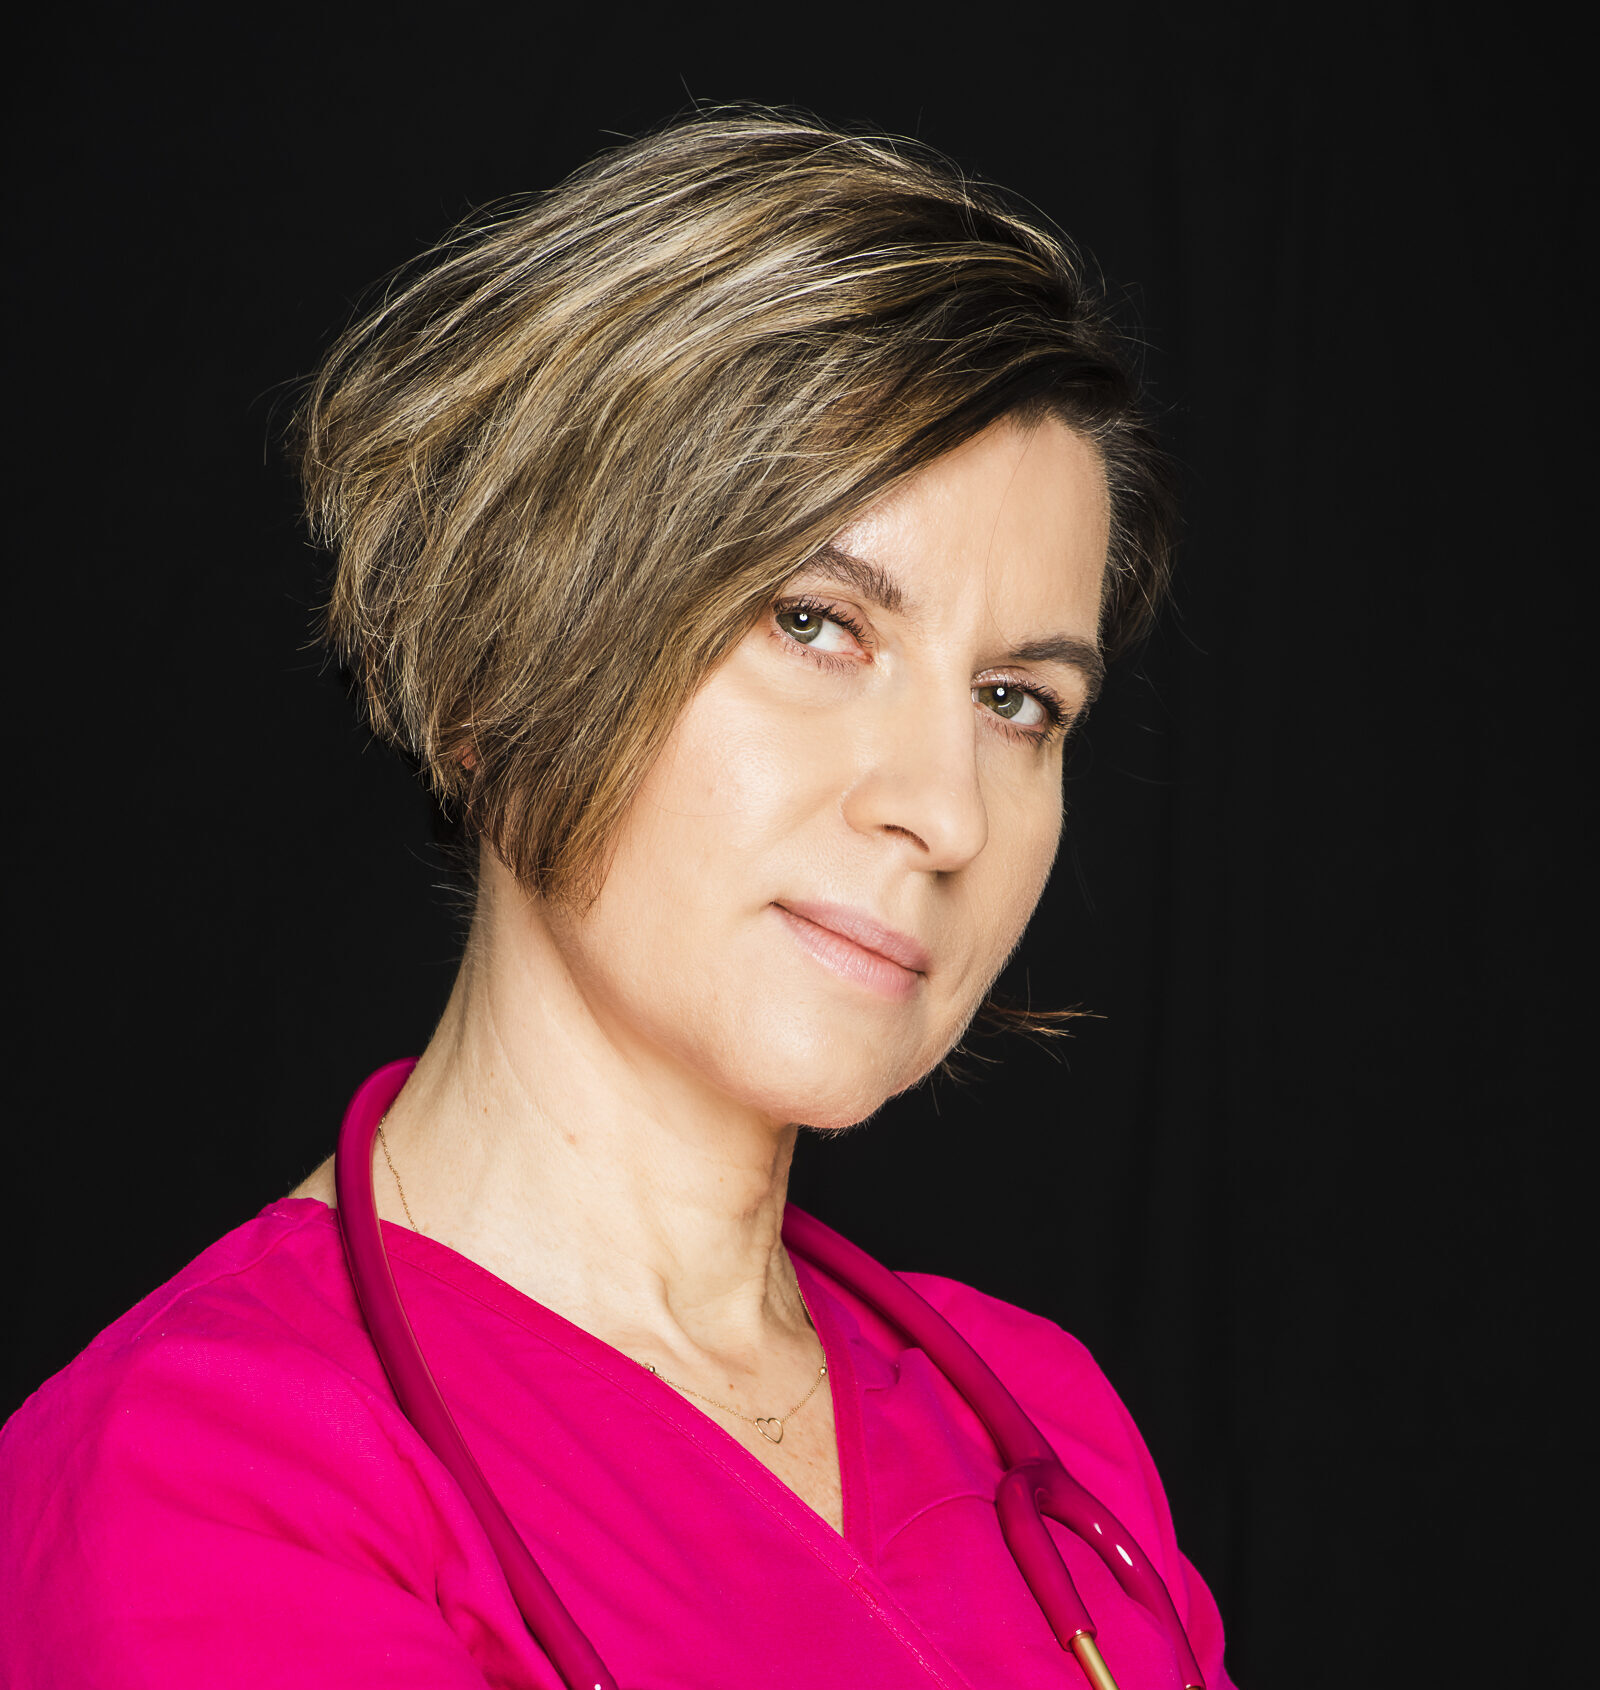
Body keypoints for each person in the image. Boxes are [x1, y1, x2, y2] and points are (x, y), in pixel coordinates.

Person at [1, 112, 1233, 1688]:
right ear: (502, 657)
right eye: (815, 622)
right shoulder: (203, 1475)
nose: (944, 810)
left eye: (1016, 702)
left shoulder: (1046, 1432)